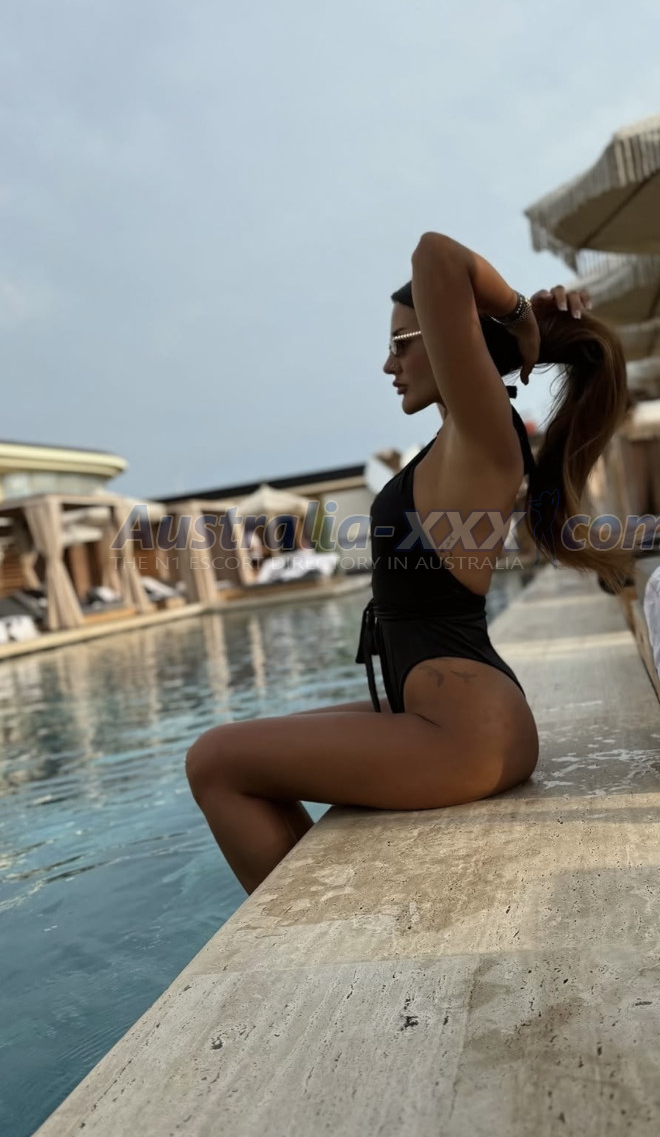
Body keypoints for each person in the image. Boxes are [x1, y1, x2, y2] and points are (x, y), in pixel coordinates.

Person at [185, 232, 632, 894]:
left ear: (451, 340)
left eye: (402, 342)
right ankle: (314, 916)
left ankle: (312, 932)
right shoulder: (457, 436)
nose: (388, 363)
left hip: (465, 733)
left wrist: (517, 318)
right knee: (244, 750)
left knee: (215, 760)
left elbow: (435, 255)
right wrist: (511, 325)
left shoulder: (485, 434)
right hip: (438, 713)